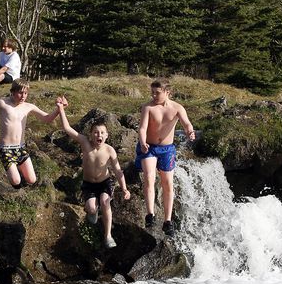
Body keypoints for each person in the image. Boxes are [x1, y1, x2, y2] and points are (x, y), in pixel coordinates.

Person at [55, 97, 130, 248]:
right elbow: (67, 128)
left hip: (104, 183)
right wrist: (61, 108)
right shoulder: (85, 143)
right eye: (96, 133)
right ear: (90, 135)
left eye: (102, 133)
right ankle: (92, 211)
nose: (99, 135)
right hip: (88, 183)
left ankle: (108, 235)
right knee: (90, 208)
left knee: (105, 201)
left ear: (107, 135)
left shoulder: (110, 150)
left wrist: (124, 188)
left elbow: (117, 170)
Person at [136, 79, 195, 237]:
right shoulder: (147, 107)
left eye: (157, 93)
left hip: (167, 150)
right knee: (149, 177)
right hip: (148, 147)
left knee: (167, 183)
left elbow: (186, 123)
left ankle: (168, 221)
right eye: (152, 92)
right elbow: (142, 128)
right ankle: (150, 214)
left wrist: (190, 132)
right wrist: (142, 142)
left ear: (167, 92)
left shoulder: (177, 108)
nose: (154, 95)